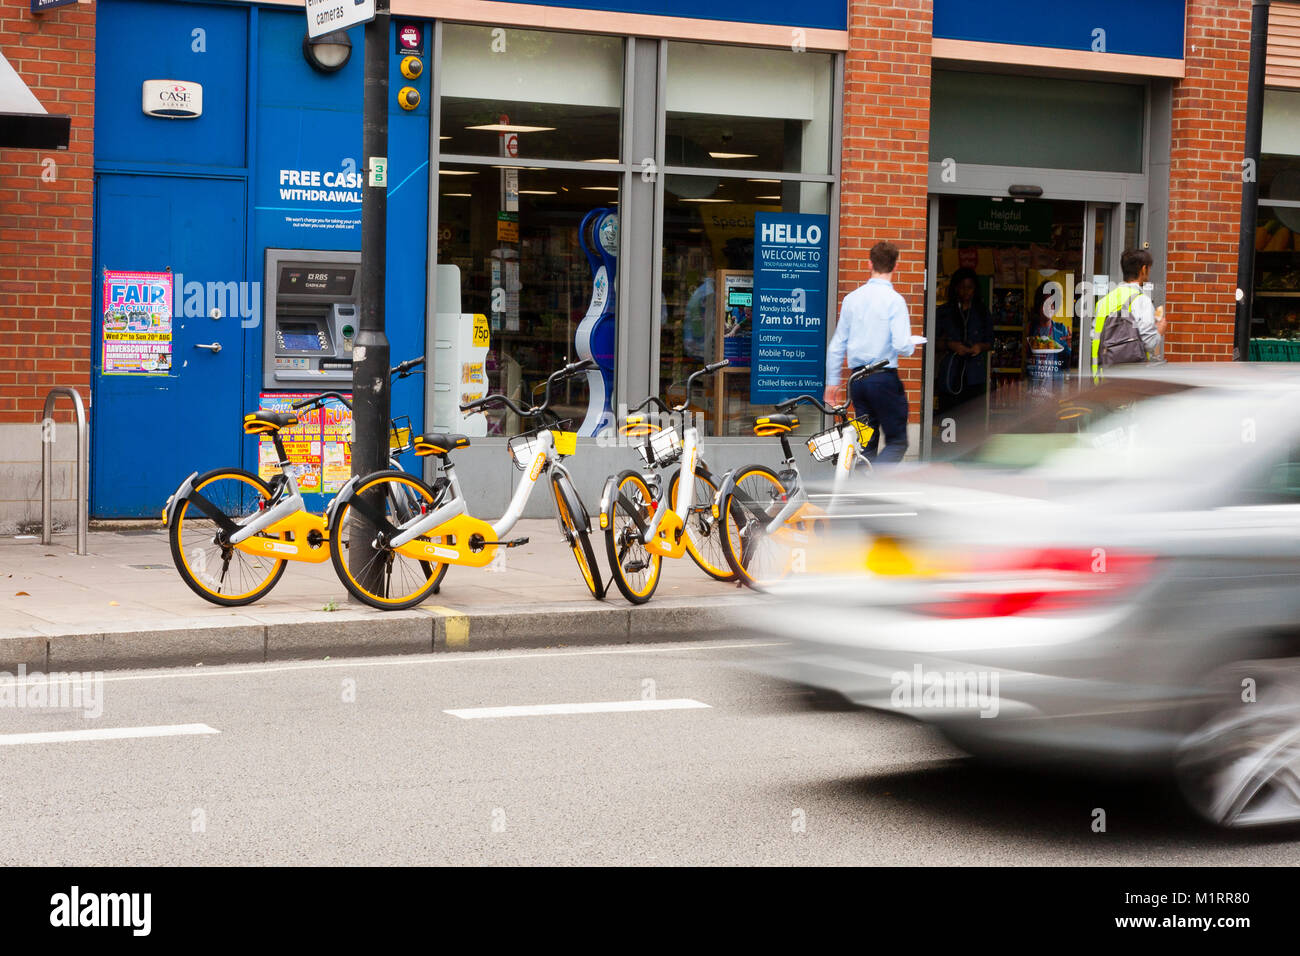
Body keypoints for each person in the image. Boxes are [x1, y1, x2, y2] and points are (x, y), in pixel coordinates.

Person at [824, 240, 916, 464]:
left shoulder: (851, 300)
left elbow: (837, 345)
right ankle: (873, 482)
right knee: (897, 441)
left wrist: (832, 383)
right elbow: (903, 346)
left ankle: (862, 486)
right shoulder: (895, 301)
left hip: (857, 381)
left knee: (866, 441)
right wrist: (912, 344)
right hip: (883, 378)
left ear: (868, 264)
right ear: (896, 266)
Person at [1091, 248, 1167, 382]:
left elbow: (1094, 338)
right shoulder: (1142, 300)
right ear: (1143, 270)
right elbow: (1148, 343)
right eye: (1149, 268)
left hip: (1102, 377)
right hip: (1131, 380)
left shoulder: (1104, 301)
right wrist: (1159, 331)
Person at [934, 267, 993, 412]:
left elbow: (990, 342)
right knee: (949, 417)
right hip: (950, 374)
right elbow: (932, 343)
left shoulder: (982, 312)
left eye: (969, 288)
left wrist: (979, 347)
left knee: (971, 422)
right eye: (961, 287)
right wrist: (950, 345)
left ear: (975, 289)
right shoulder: (944, 312)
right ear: (955, 288)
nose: (966, 292)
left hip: (973, 376)